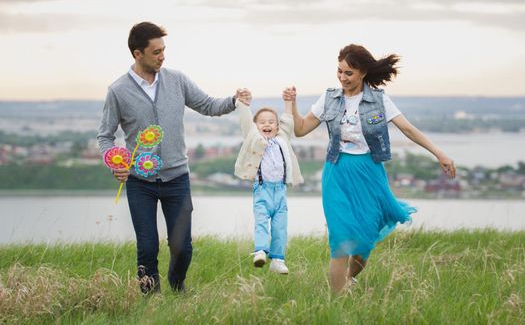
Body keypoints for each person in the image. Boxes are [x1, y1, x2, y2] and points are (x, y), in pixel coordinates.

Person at [283, 43, 456, 293]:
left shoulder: (378, 100)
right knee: (341, 241)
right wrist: (292, 103)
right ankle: (337, 302)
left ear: (363, 72)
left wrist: (439, 153)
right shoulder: (329, 98)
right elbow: (300, 130)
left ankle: (350, 279)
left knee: (363, 244)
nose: (343, 78)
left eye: (349, 73)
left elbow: (407, 129)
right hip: (337, 171)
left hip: (369, 172)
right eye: (340, 71)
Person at [97, 21, 252, 294]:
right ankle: (151, 302)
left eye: (163, 50)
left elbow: (207, 105)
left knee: (182, 246)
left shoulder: (176, 80)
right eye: (156, 51)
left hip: (177, 177)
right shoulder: (118, 91)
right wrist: (115, 163)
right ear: (137, 54)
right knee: (147, 247)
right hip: (139, 181)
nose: (162, 56)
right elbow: (105, 136)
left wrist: (233, 100)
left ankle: (177, 286)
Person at [234, 92, 303, 274]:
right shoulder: (254, 138)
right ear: (256, 126)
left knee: (280, 227)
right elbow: (246, 122)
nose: (267, 124)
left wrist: (288, 101)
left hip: (280, 191)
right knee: (262, 222)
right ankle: (260, 251)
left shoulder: (282, 140)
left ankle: (278, 260)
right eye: (262, 122)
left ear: (277, 126)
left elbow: (288, 120)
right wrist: (243, 104)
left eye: (271, 122)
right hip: (262, 190)